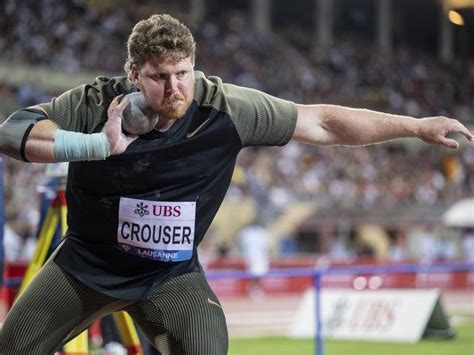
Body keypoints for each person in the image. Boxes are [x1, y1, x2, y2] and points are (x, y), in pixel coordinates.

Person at [0, 13, 472, 355]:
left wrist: (414, 126)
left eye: (182, 74)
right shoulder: (97, 103)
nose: (174, 89)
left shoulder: (226, 108)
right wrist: (97, 146)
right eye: (159, 78)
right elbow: (11, 133)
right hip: (85, 268)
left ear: (194, 68)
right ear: (133, 76)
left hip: (171, 277)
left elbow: (323, 123)